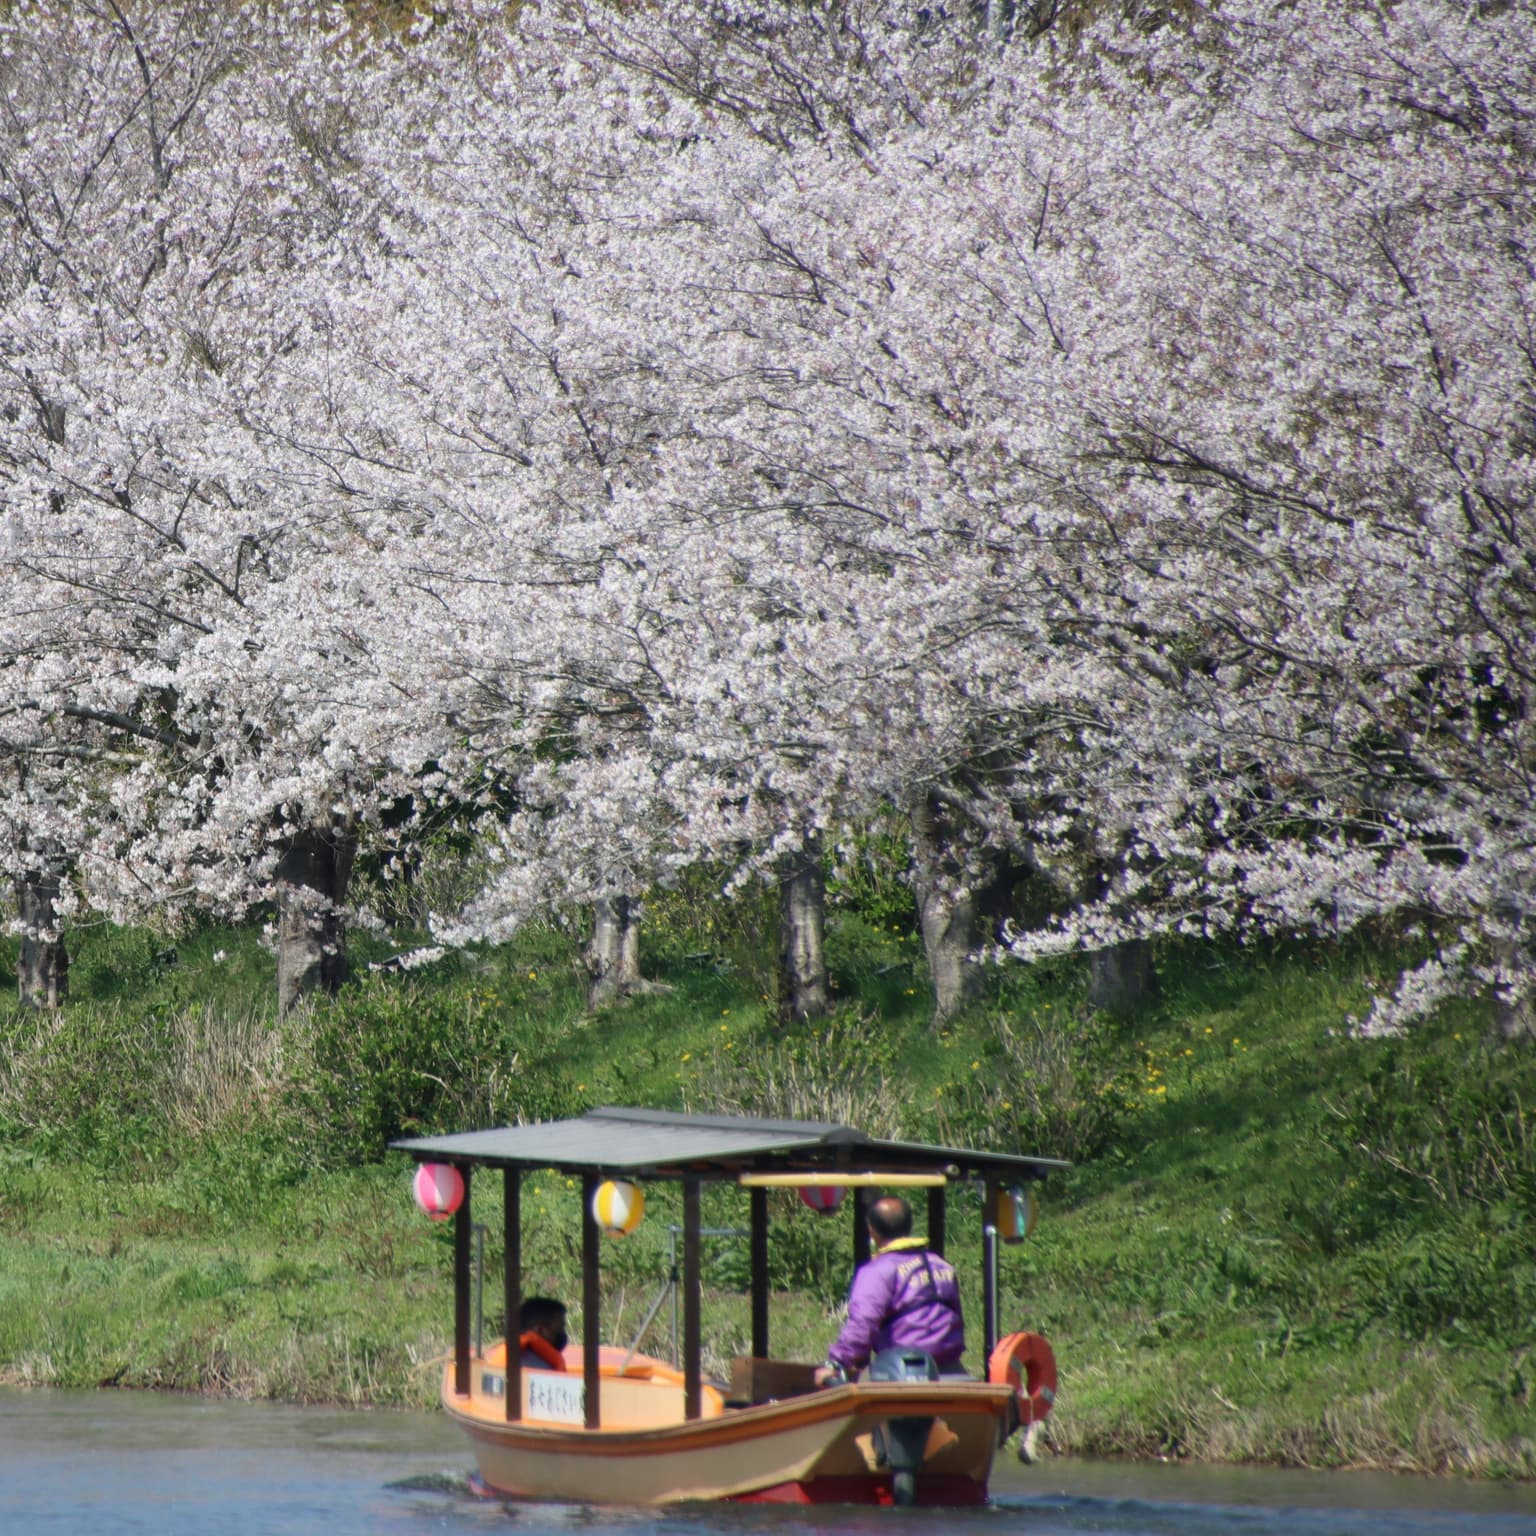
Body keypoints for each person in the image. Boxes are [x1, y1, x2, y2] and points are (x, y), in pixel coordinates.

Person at [813, 1195, 965, 1385]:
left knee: (848, 1406)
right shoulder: (942, 1266)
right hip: (953, 1369)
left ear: (872, 1230)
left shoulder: (877, 1271)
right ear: (909, 1225)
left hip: (902, 1371)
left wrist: (835, 1363)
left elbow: (862, 1324)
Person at [518, 1296, 569, 1371]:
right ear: (540, 1329)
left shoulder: (508, 1356)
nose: (562, 1334)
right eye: (560, 1328)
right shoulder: (540, 1368)